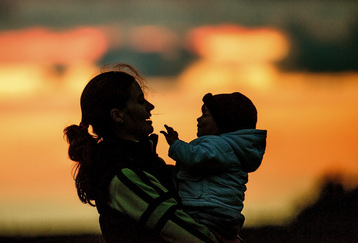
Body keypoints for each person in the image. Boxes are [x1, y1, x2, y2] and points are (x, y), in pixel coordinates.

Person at [64, 64, 218, 243]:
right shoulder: (122, 177)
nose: (150, 106)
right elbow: (188, 234)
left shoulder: (143, 163)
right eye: (140, 100)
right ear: (117, 115)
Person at [161, 92, 267, 241]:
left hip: (208, 213)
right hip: (221, 216)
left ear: (223, 122)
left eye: (205, 115)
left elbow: (196, 158)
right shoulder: (227, 148)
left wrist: (176, 144)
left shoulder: (219, 145)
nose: (199, 119)